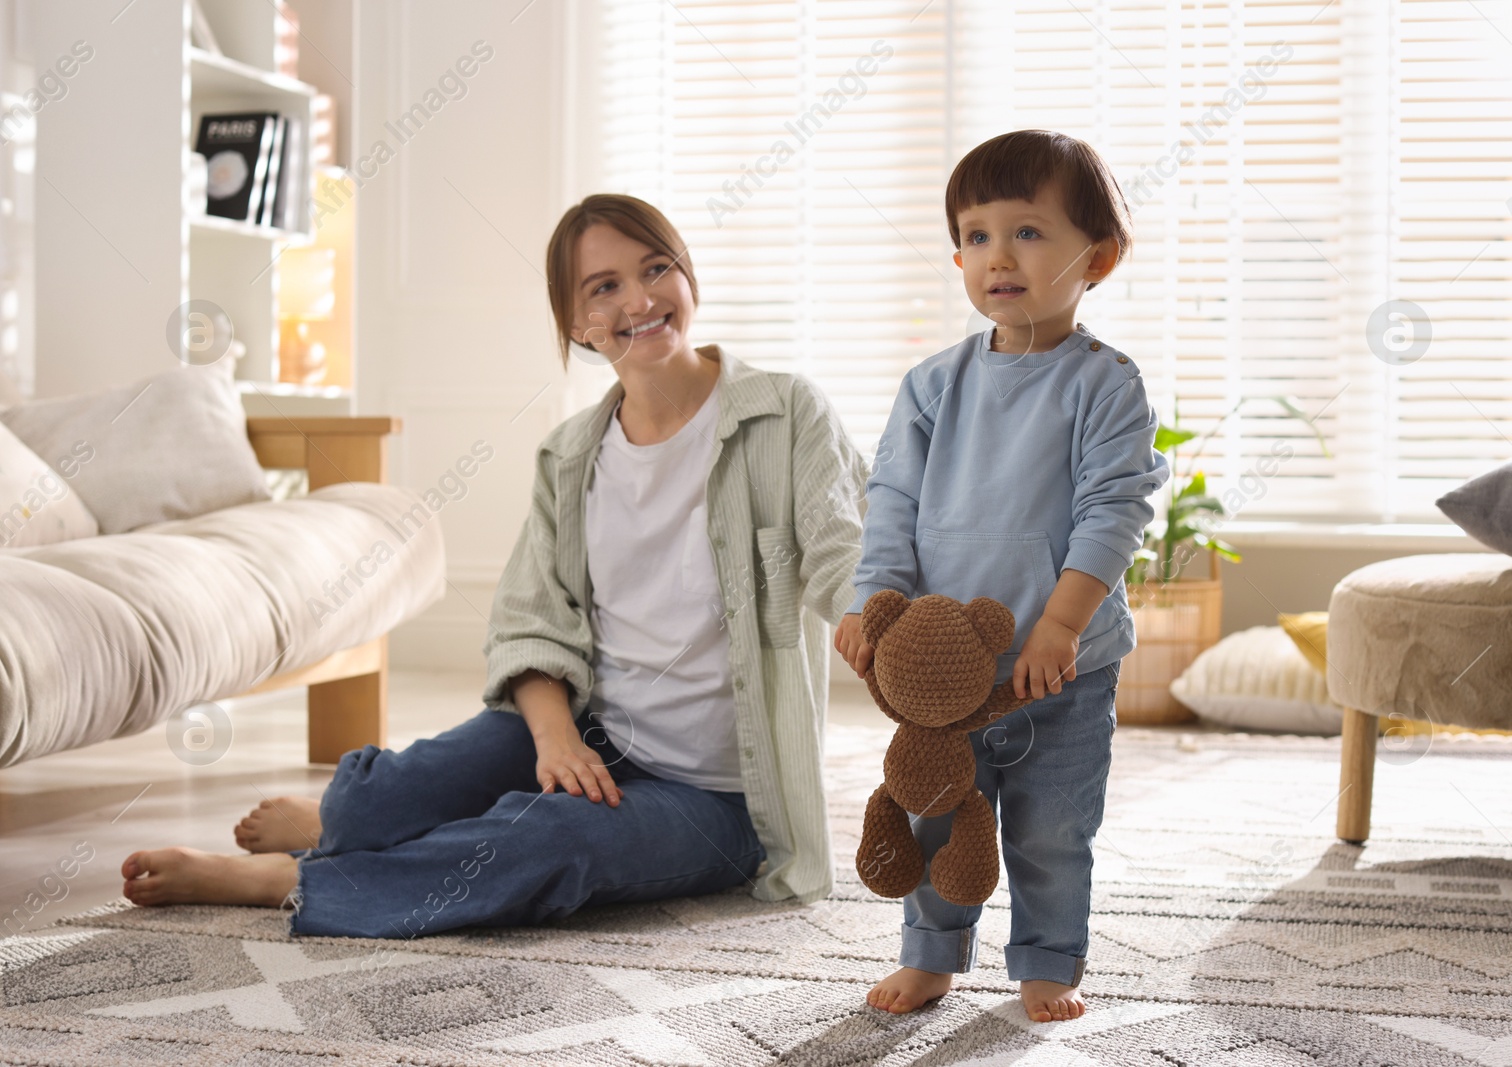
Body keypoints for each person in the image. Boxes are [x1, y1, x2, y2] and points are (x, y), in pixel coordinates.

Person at [121, 194, 868, 936]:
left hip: (719, 797)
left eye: (656, 268)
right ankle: (338, 822)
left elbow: (845, 551)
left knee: (549, 839)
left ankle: (295, 878)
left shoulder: (785, 412)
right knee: (384, 796)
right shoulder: (571, 453)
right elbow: (530, 621)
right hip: (592, 723)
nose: (639, 299)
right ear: (577, 324)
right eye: (603, 287)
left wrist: (879, 622)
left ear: (689, 279)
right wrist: (556, 738)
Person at [834, 130, 1170, 1022]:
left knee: (1051, 828)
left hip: (1058, 673)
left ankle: (1049, 959)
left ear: (1096, 256)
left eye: (1028, 232)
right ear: (957, 257)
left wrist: (1059, 625)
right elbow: (893, 502)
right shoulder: (933, 385)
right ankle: (931, 953)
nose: (999, 256)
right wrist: (876, 606)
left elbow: (1113, 510)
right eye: (977, 236)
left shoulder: (1107, 385)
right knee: (934, 814)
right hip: (944, 677)